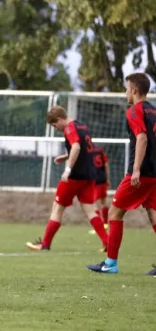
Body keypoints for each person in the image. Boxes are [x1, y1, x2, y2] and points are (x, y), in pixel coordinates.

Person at [88, 73, 156, 275]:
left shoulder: (135, 111)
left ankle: (110, 263)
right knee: (153, 215)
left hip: (141, 173)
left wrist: (136, 170)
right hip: (154, 173)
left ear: (134, 90)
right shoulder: (154, 110)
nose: (126, 92)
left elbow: (142, 138)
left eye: (127, 88)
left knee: (115, 213)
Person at [26, 106, 108, 251]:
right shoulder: (82, 125)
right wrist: (65, 157)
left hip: (75, 176)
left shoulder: (69, 128)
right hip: (89, 175)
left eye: (54, 124)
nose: (55, 127)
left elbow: (76, 147)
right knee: (89, 209)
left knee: (57, 207)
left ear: (59, 119)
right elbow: (84, 148)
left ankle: (45, 244)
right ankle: (107, 242)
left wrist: (68, 169)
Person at [89, 146, 110, 232]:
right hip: (103, 178)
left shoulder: (88, 150)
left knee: (94, 204)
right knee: (103, 202)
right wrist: (108, 178)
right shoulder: (100, 149)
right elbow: (106, 164)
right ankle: (105, 224)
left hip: (95, 179)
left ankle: (99, 226)